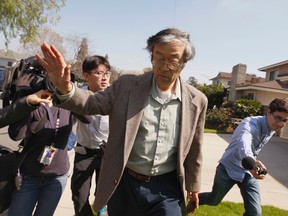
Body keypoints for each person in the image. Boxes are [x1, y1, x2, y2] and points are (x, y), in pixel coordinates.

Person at [36, 27, 208, 216]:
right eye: (159, 57)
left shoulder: (197, 101)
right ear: (152, 56)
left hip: (166, 188)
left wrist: (193, 185)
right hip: (125, 183)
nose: (163, 66)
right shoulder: (128, 86)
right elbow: (92, 103)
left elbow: (194, 147)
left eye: (173, 60)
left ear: (184, 62)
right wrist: (65, 87)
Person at [6, 70, 91, 216]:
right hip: (29, 176)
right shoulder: (36, 101)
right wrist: (22, 99)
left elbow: (88, 119)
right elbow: (16, 135)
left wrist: (70, 94)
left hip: (57, 177)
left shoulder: (67, 102)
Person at [198, 98, 288, 216]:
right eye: (278, 118)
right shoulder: (249, 124)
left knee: (255, 213)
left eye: (285, 120)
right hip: (228, 169)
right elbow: (244, 144)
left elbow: (252, 149)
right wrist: (251, 164)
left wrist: (255, 162)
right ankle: (190, 198)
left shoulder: (271, 127)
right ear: (268, 112)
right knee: (213, 201)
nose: (281, 124)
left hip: (247, 172)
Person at [71, 55, 111, 216]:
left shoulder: (115, 96)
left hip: (107, 154)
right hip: (84, 153)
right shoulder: (77, 96)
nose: (105, 77)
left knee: (104, 198)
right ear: (86, 75)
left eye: (107, 73)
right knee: (79, 196)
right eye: (99, 73)